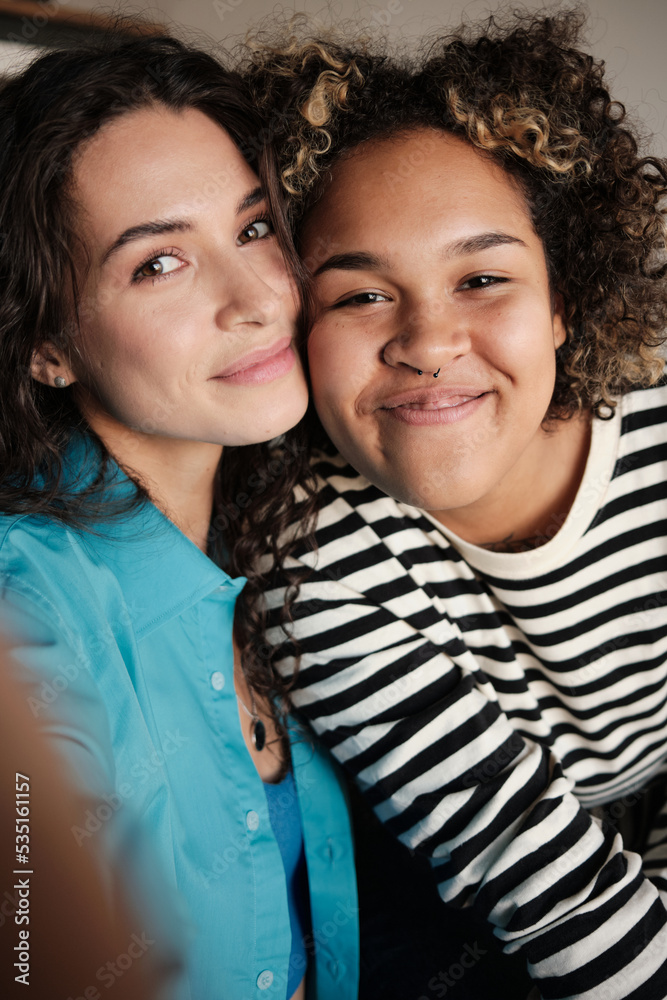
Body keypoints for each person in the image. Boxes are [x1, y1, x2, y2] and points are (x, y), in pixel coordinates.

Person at [241, 11, 667, 998]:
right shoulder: (312, 560)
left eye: (480, 278)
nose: (428, 340)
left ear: (564, 298)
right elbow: (535, 870)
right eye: (358, 297)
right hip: (490, 886)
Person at [0, 34, 359, 1000]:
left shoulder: (284, 530)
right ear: (46, 348)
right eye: (159, 263)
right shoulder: (26, 607)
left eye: (252, 230)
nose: (254, 300)